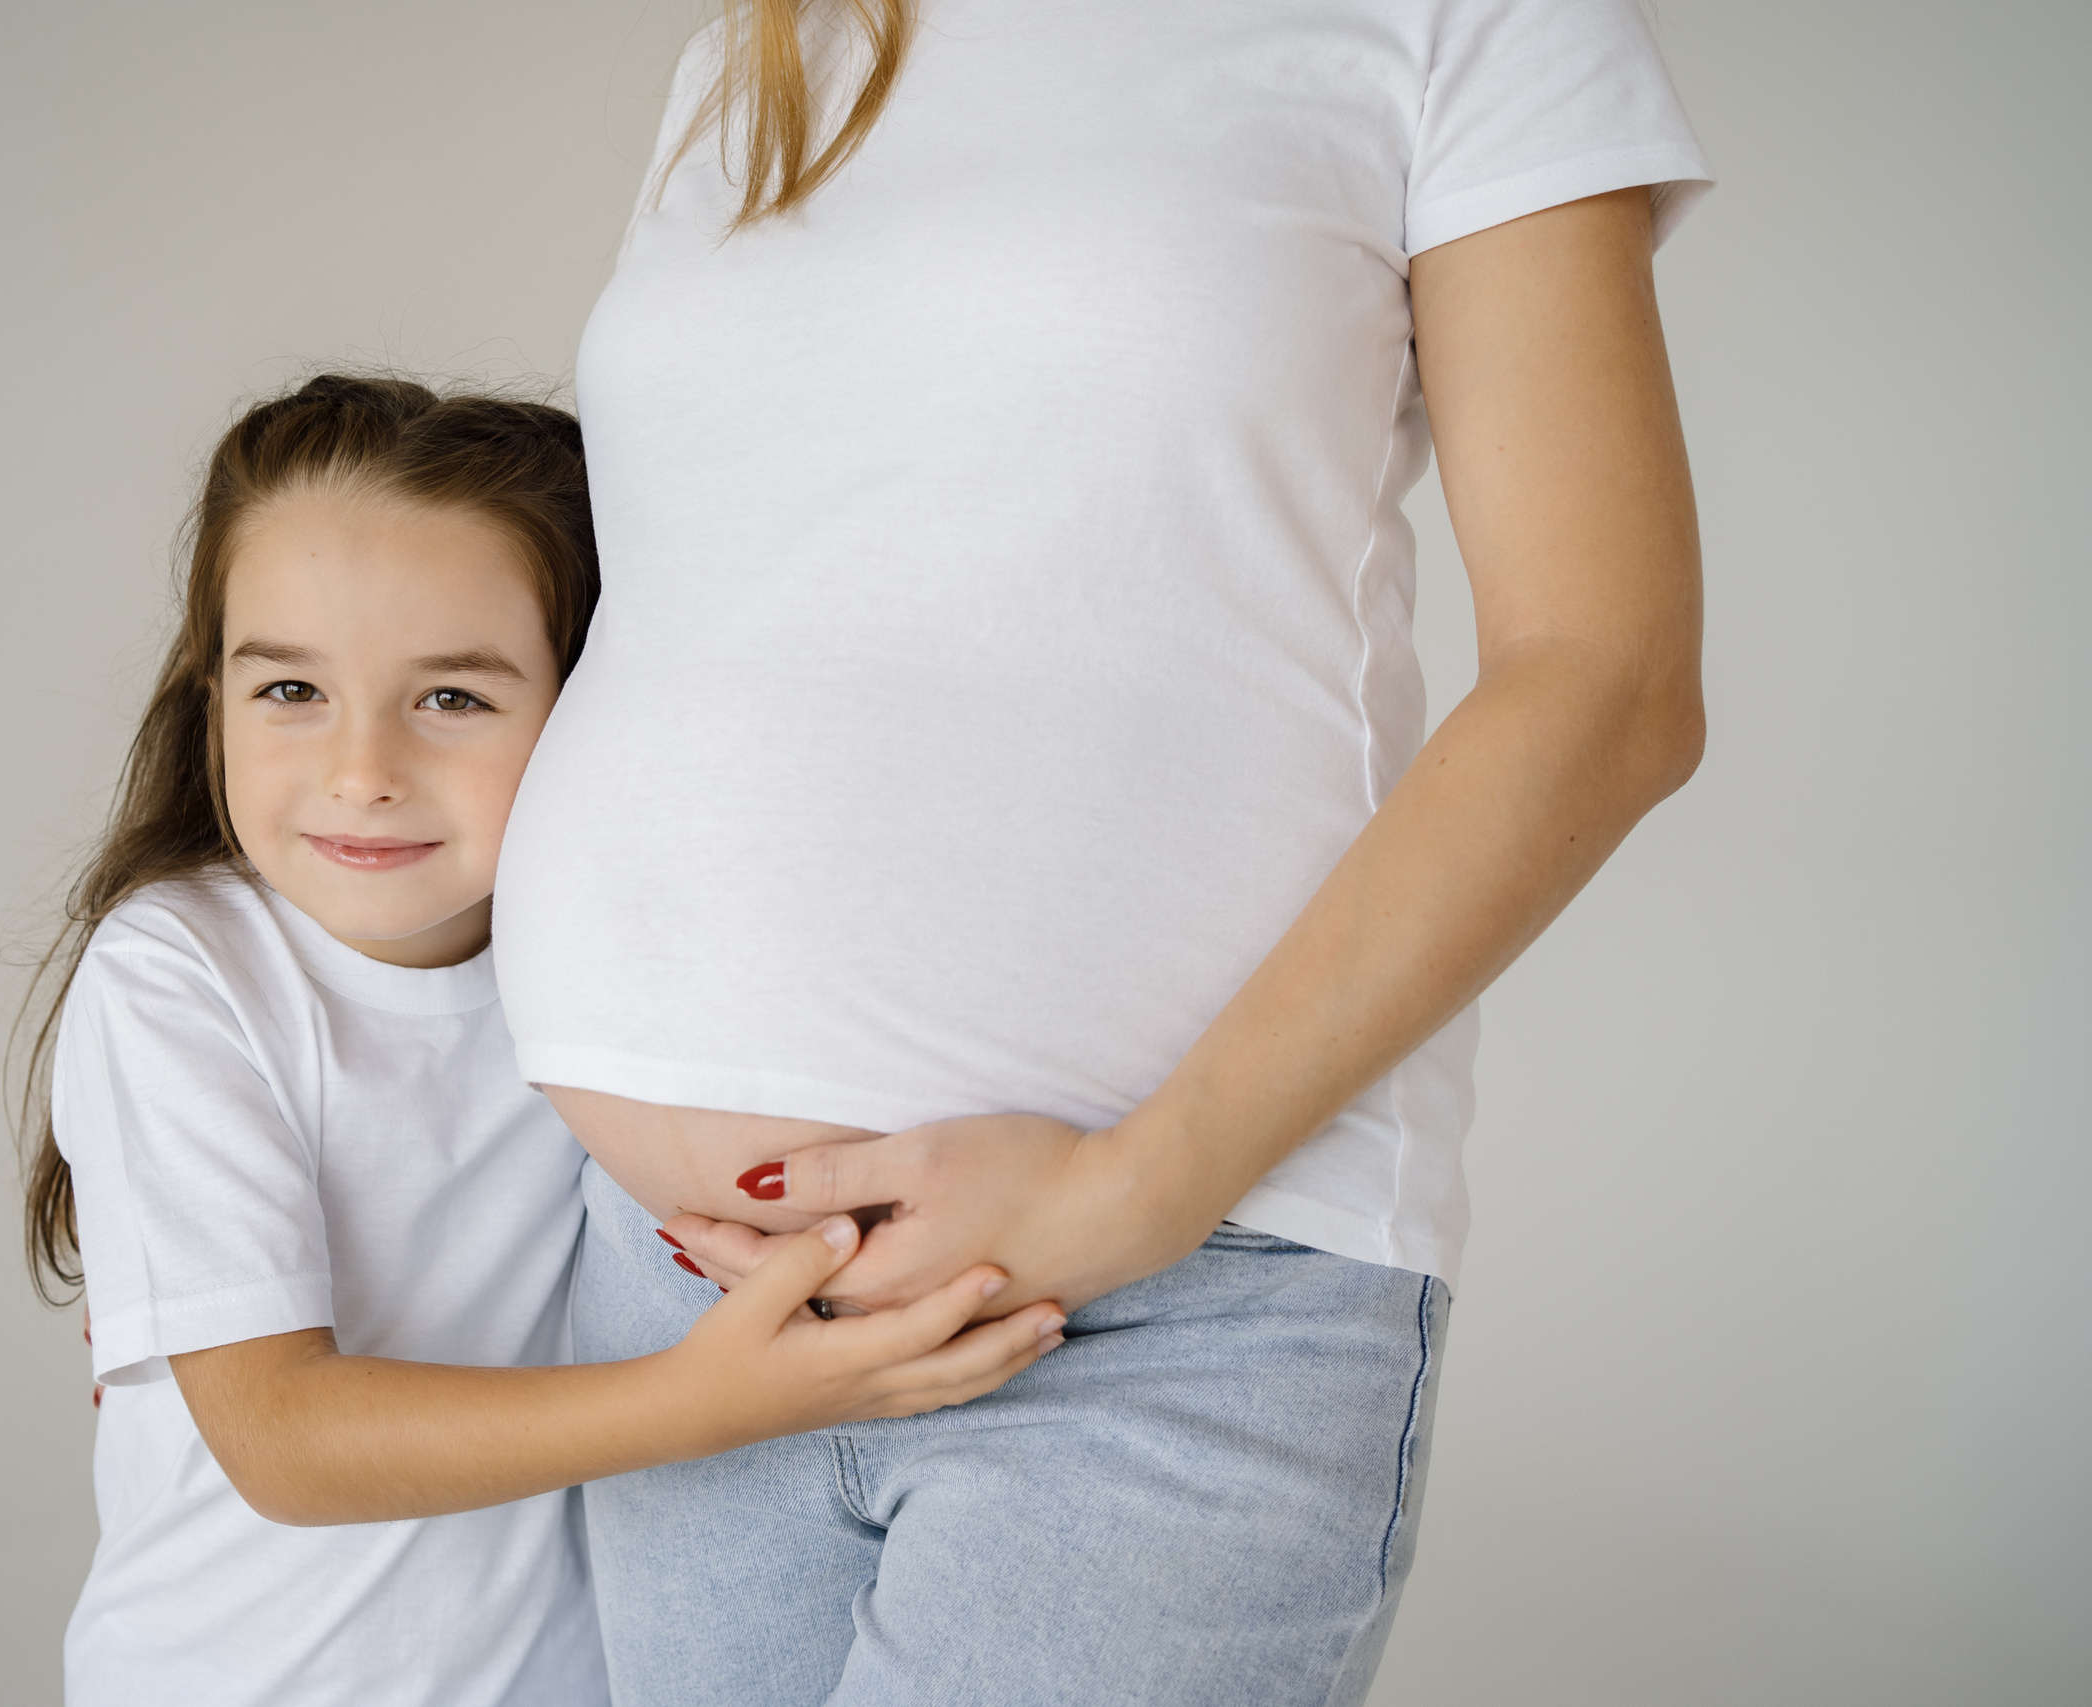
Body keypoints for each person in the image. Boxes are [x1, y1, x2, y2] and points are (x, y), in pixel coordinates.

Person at [491, 1, 1713, 1701]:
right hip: (676, 1296)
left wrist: (1130, 1192)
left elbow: (1609, 677)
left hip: (1175, 1290)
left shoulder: (1456, 21)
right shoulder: (767, 44)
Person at [14, 374, 1065, 1707]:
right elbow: (283, 1443)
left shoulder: (599, 966)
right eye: (289, 687)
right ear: (207, 694)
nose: (361, 770)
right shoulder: (181, 971)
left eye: (452, 698)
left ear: (588, 705)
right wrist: (717, 1398)